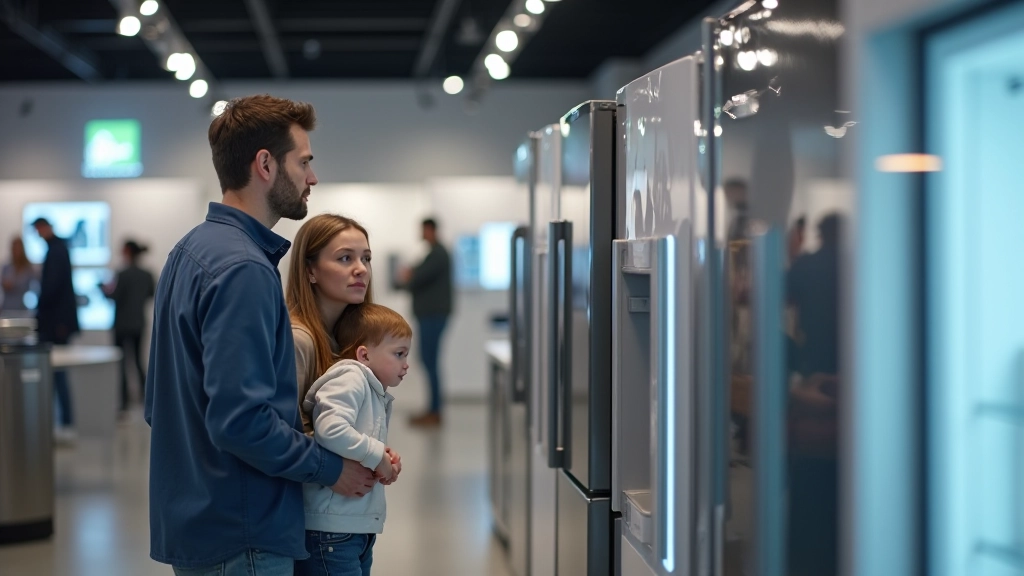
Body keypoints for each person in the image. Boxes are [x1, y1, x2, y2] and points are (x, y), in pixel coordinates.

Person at [144, 94, 375, 576]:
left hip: (202, 520)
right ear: (265, 164)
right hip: (242, 531)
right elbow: (241, 422)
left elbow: (155, 405)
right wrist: (334, 469)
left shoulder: (190, 251)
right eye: (305, 162)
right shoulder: (243, 268)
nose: (313, 178)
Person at [295, 303, 409, 576]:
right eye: (399, 353)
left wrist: (383, 456)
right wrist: (375, 454)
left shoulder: (371, 389)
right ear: (364, 355)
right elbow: (330, 429)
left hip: (351, 529)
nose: (406, 364)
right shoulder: (351, 377)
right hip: (332, 533)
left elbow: (353, 438)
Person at [286, 214, 374, 435]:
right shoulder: (297, 339)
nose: (361, 269)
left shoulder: (344, 337)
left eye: (366, 258)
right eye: (345, 258)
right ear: (310, 271)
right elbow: (285, 435)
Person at [398, 217, 453, 427]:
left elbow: (415, 278)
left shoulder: (438, 254)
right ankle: (433, 409)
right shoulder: (435, 254)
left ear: (431, 230)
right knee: (429, 361)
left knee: (430, 361)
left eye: (423, 230)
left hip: (433, 315)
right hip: (431, 315)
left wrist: (410, 275)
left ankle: (435, 410)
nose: (421, 234)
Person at [32, 217, 79, 437]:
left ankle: (64, 424)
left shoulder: (57, 251)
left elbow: (53, 289)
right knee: (54, 373)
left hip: (56, 324)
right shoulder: (57, 249)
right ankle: (57, 422)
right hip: (55, 322)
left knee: (57, 373)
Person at [101, 240, 156, 414]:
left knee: (122, 363)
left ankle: (124, 402)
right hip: (139, 323)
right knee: (139, 361)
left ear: (128, 252)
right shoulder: (147, 274)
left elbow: (114, 296)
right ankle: (147, 398)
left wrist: (102, 290)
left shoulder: (123, 274)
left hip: (122, 324)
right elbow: (150, 295)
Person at [1, 236, 38, 315]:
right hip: (7, 308)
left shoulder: (28, 269)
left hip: (22, 308)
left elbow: (33, 288)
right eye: (14, 249)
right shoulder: (7, 268)